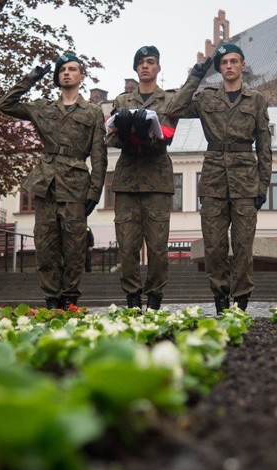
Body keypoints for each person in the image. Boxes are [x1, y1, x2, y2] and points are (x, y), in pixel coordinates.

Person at [166, 43, 272, 314]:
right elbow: (173, 108)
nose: (229, 66)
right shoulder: (206, 97)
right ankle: (221, 299)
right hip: (213, 178)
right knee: (213, 245)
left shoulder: (256, 99)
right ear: (220, 68)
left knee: (243, 244)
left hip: (245, 180)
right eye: (224, 62)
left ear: (243, 65)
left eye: (234, 61)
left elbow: (264, 145)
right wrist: (196, 76)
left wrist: (263, 184)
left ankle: (242, 300)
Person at [0, 52, 107, 310]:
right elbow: (5, 104)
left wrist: (95, 191)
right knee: (45, 246)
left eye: (72, 69)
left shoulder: (92, 112)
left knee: (74, 248)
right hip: (46, 184)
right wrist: (30, 79)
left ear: (81, 76)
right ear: (57, 78)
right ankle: (51, 301)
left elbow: (99, 156)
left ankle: (69, 299)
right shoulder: (43, 107)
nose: (66, 73)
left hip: (75, 187)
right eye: (62, 70)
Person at [107, 45, 177, 311]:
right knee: (127, 247)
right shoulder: (122, 100)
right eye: (141, 63)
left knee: (158, 249)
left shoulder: (169, 100)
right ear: (135, 69)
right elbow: (110, 137)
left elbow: (168, 134)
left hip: (157, 181)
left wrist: (144, 132)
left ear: (158, 68)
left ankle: (155, 300)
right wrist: (124, 133)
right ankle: (133, 300)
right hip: (127, 183)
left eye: (150, 62)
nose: (145, 66)